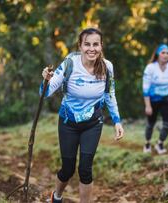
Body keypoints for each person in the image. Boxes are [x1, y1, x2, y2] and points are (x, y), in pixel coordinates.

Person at [40, 27, 124, 203]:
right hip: (68, 122)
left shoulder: (107, 67)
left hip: (93, 123)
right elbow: (46, 92)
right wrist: (46, 80)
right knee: (68, 169)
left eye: (95, 44)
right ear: (80, 45)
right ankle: (57, 197)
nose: (91, 49)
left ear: (101, 46)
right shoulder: (70, 63)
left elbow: (110, 94)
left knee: (85, 170)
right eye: (87, 44)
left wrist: (117, 121)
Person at [142, 44, 168, 154]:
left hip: (167, 99)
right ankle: (147, 143)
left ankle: (159, 144)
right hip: (153, 100)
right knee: (151, 124)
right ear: (158, 54)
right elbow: (145, 88)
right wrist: (147, 105)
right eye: (163, 53)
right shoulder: (150, 68)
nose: (165, 55)